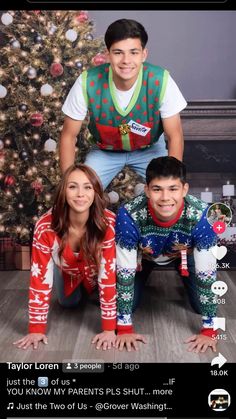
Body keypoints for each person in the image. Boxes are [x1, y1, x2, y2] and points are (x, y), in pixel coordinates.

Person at [60, 19, 187, 189]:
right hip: (105, 151)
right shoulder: (87, 82)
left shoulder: (160, 80)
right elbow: (68, 136)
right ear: (107, 54)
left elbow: (175, 135)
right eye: (118, 52)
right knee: (80, 192)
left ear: (144, 54)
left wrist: (172, 184)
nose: (126, 60)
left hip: (150, 150)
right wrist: (69, 187)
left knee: (168, 193)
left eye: (134, 52)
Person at [115, 156, 218, 353]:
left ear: (184, 190)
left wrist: (209, 330)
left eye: (173, 189)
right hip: (142, 258)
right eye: (157, 189)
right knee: (131, 304)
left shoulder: (204, 215)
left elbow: (207, 275)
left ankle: (184, 278)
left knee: (199, 305)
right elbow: (124, 273)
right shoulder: (128, 214)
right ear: (146, 190)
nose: (165, 197)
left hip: (185, 257)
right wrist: (125, 327)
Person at [13, 164, 116, 351]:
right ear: (63, 191)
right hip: (68, 270)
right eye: (72, 186)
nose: (80, 194)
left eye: (87, 187)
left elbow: (108, 275)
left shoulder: (108, 224)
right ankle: (82, 288)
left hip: (101, 271)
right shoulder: (45, 227)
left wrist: (109, 329)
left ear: (96, 192)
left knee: (122, 303)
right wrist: (36, 329)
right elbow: (39, 278)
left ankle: (92, 288)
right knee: (68, 303)